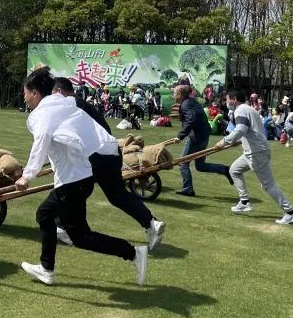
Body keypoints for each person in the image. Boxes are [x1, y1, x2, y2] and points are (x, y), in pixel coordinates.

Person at [15, 68, 148, 286]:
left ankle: (132, 253)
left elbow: (42, 139)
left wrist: (27, 175)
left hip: (72, 181)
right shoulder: (65, 105)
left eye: (25, 93)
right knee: (44, 215)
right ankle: (46, 268)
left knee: (81, 237)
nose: (24, 98)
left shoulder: (41, 114)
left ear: (35, 93)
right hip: (83, 176)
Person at [52, 77, 165, 248]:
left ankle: (65, 228)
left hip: (96, 155)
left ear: (59, 92)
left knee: (73, 188)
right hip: (110, 151)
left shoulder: (69, 105)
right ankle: (151, 223)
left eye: (52, 94)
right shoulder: (83, 104)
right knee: (117, 195)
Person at [215, 91, 293, 224]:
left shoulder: (240, 110)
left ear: (234, 99)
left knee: (268, 185)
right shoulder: (248, 109)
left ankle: (290, 212)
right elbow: (250, 129)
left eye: (227, 99)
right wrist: (239, 140)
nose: (226, 102)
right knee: (234, 170)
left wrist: (224, 141)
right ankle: (244, 202)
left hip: (257, 152)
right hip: (252, 152)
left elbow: (240, 129)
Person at [174, 85, 233, 197]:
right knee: (200, 166)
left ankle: (188, 189)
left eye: (174, 94)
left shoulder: (186, 104)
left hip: (196, 137)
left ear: (179, 95)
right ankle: (224, 169)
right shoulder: (192, 101)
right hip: (204, 135)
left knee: (183, 162)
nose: (173, 96)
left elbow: (191, 119)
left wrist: (180, 136)